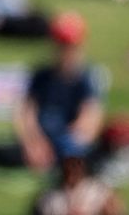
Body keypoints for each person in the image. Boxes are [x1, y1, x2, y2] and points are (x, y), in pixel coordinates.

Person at [13, 12, 106, 174]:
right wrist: (33, 143)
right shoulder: (41, 76)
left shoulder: (86, 77)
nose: (65, 52)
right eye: (61, 46)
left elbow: (90, 118)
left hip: (68, 140)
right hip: (43, 137)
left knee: (72, 151)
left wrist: (74, 140)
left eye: (70, 46)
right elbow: (27, 112)